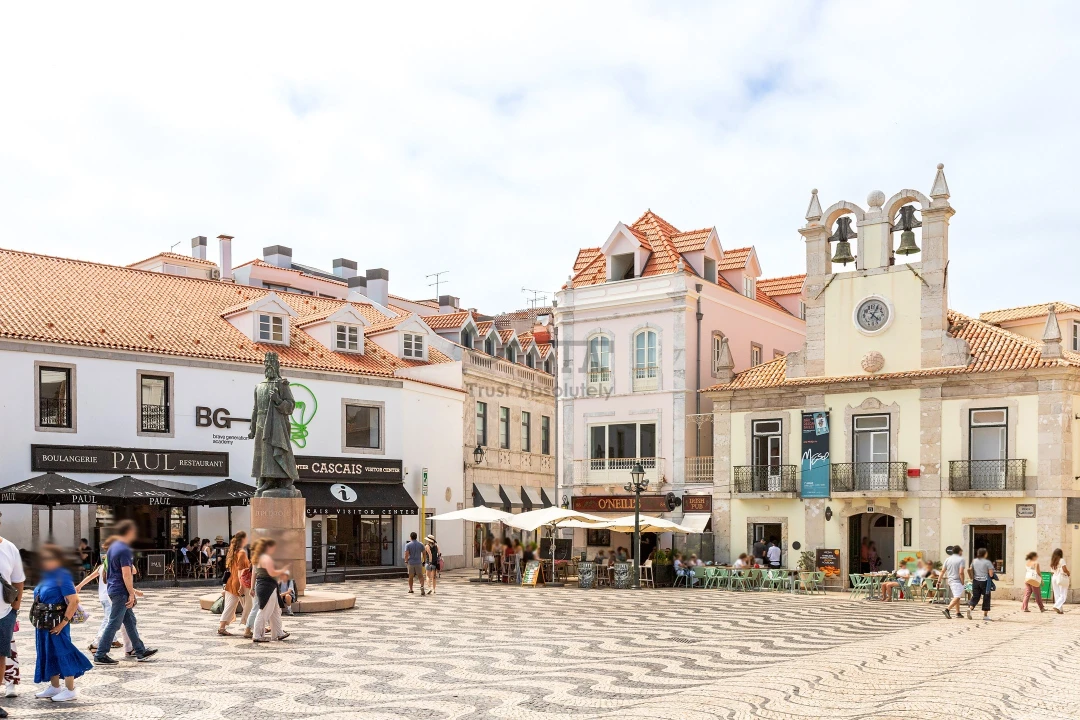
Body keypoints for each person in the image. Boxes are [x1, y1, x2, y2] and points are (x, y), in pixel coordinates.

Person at [31, 545, 92, 703]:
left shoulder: (63, 576)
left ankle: (70, 690)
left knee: (63, 651)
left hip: (57, 623)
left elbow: (74, 601)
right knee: (47, 652)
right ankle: (55, 686)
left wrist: (63, 623)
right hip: (44, 623)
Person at [94, 520, 158, 664]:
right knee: (114, 623)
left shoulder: (113, 547)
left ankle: (140, 651)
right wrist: (131, 593)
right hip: (120, 591)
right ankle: (100, 654)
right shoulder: (124, 549)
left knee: (130, 621)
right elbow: (126, 574)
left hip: (114, 588)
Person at [74, 539, 135, 657]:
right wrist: (127, 561)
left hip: (104, 597)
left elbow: (90, 577)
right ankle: (96, 644)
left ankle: (129, 647)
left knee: (123, 623)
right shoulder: (113, 566)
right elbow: (131, 573)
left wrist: (79, 586)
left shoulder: (103, 567)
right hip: (111, 598)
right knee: (111, 622)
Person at [0, 520, 25, 710]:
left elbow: (18, 581)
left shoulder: (9, 548)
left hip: (3, 615)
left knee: (1, 657)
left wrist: (14, 610)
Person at [250, 538, 290, 643]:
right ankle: (257, 635)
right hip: (268, 587)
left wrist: (252, 588)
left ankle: (279, 633)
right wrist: (283, 569)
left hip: (264, 586)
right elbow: (272, 573)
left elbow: (254, 574)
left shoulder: (257, 558)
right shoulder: (266, 558)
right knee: (264, 611)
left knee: (275, 611)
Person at [218, 532, 250, 636]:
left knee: (230, 605)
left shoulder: (232, 552)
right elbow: (241, 570)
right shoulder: (242, 553)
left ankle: (222, 627)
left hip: (231, 580)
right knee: (248, 605)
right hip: (240, 581)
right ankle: (250, 627)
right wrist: (241, 585)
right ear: (243, 540)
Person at [966, 548, 996, 620]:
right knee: (986, 597)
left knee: (975, 596)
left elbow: (971, 569)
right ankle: (985, 615)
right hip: (985, 582)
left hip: (976, 581)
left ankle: (970, 608)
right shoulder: (988, 562)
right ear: (985, 554)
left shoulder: (974, 561)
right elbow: (991, 574)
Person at [941, 545, 967, 620]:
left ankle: (958, 612)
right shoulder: (961, 559)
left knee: (956, 596)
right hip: (957, 581)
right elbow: (961, 572)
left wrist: (939, 581)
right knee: (957, 597)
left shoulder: (947, 559)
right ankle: (947, 609)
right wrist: (962, 581)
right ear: (959, 551)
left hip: (950, 580)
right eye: (961, 551)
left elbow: (943, 571)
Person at [1050, 548, 1070, 614]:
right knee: (1063, 595)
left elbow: (1052, 571)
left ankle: (1060, 609)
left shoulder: (1053, 561)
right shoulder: (1061, 560)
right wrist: (1068, 572)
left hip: (1054, 577)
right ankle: (1056, 606)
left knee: (1057, 594)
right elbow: (1064, 569)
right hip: (1060, 577)